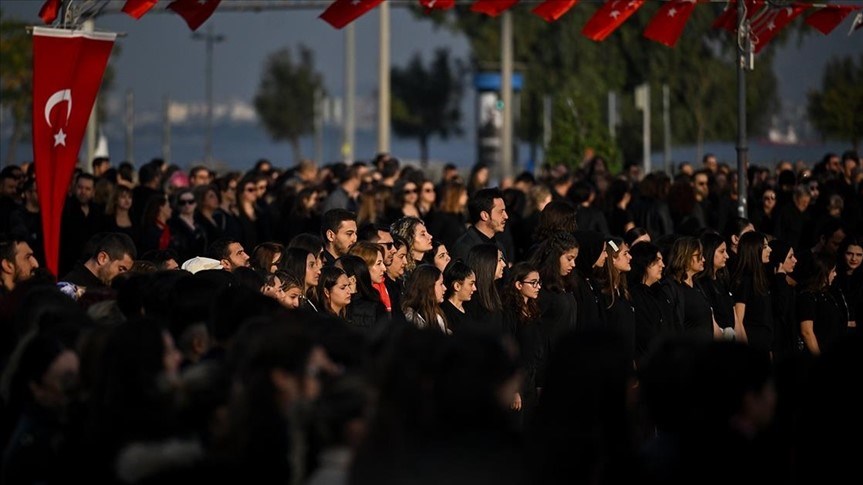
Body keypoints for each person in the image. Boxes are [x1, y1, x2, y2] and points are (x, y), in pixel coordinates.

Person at [500, 261, 543, 425]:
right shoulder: (510, 312)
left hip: (531, 378)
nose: (538, 286)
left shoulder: (533, 309)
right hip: (518, 381)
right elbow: (509, 349)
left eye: (539, 282)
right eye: (533, 283)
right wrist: (515, 390)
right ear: (518, 284)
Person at [627, 241, 677, 367]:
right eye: (657, 260)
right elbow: (644, 336)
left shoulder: (661, 292)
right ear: (645, 263)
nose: (663, 265)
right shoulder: (633, 296)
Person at [529, 232, 579, 348]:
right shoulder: (540, 286)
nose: (573, 264)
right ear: (555, 256)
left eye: (574, 259)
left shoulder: (566, 284)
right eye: (569, 259)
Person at [667, 236, 719, 340]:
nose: (703, 259)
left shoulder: (698, 285)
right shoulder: (672, 287)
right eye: (698, 256)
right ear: (685, 256)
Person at [798, 254, 849, 356]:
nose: (835, 275)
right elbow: (807, 332)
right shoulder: (808, 296)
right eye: (833, 271)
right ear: (823, 272)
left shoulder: (826, 294)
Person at [732, 232, 775, 352]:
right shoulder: (745, 279)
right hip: (752, 347)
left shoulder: (761, 279)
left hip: (765, 345)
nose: (770, 250)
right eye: (765, 246)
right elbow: (739, 320)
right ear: (754, 249)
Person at [599, 237, 635, 363]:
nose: (630, 257)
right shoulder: (604, 294)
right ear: (613, 258)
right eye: (625, 254)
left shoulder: (623, 291)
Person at [698, 233, 739, 339]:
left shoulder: (722, 280)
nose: (727, 256)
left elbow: (735, 319)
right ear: (709, 252)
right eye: (721, 251)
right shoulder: (701, 284)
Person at [451, 188, 509, 262]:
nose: (506, 216)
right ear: (484, 215)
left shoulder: (499, 246)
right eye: (501, 212)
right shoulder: (465, 247)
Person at [60, 233, 136, 289]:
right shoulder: (68, 289)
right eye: (121, 269)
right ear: (102, 258)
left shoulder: (108, 288)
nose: (123, 276)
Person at [464, 244, 506, 336]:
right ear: (486, 263)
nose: (504, 264)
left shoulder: (494, 291)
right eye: (499, 260)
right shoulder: (472, 297)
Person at [767, 239, 799, 360]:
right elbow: (780, 308)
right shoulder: (771, 284)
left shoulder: (787, 285)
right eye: (790, 257)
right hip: (777, 348)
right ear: (779, 260)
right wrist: (780, 278)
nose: (795, 260)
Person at [402, 264, 448, 333]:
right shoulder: (411, 318)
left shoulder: (436, 313)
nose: (445, 288)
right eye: (441, 284)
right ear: (429, 287)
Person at [441, 261, 478, 335]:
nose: (475, 288)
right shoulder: (445, 312)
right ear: (457, 286)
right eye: (471, 284)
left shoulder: (469, 309)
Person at [283, 247, 322, 312]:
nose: (319, 271)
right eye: (311, 265)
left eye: (316, 265)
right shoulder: (291, 304)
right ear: (298, 266)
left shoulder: (310, 302)